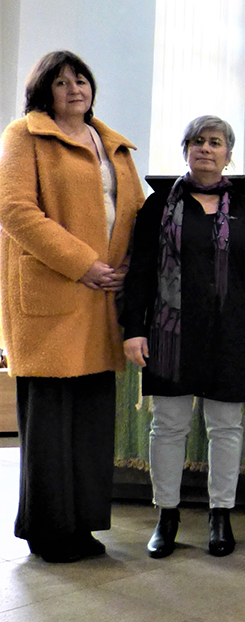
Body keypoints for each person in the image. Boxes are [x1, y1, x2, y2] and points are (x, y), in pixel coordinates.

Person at [0, 50, 143, 563]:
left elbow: (135, 213)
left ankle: (82, 523)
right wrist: (83, 262)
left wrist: (127, 263)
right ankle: (48, 530)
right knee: (51, 424)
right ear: (45, 91)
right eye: (61, 83)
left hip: (103, 298)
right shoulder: (25, 135)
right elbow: (13, 209)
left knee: (90, 422)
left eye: (81, 79)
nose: (74, 89)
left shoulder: (113, 145)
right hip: (55, 296)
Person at [122, 115, 245, 559]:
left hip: (231, 333)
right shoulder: (157, 207)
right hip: (171, 335)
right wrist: (133, 328)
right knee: (168, 426)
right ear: (185, 150)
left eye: (215, 142)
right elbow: (139, 273)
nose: (205, 149)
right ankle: (166, 515)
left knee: (226, 428)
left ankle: (220, 514)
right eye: (196, 141)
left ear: (229, 154)